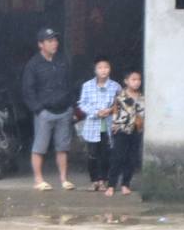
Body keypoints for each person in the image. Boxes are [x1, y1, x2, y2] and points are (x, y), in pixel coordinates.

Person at [21, 28, 78, 191]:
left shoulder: (61, 61)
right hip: (45, 112)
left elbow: (69, 83)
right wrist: (39, 110)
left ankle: (64, 179)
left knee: (63, 147)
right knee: (40, 147)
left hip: (64, 110)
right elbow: (28, 91)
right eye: (50, 41)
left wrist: (70, 105)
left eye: (55, 40)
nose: (54, 44)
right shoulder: (33, 64)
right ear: (41, 44)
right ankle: (38, 180)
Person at [76, 58, 121, 191]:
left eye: (106, 67)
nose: (103, 70)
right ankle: (94, 180)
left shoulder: (115, 86)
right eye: (100, 67)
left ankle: (103, 180)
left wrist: (111, 109)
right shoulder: (87, 86)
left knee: (106, 154)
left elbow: (121, 103)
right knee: (92, 154)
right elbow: (82, 103)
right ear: (95, 70)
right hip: (92, 125)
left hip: (108, 125)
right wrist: (96, 112)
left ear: (110, 69)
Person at [108, 70, 146, 196]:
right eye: (133, 80)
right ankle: (111, 185)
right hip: (121, 130)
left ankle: (125, 184)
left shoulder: (141, 97)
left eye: (138, 80)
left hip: (136, 130)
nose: (136, 82)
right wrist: (115, 126)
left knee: (131, 158)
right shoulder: (120, 97)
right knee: (118, 157)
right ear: (126, 81)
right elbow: (115, 113)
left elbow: (142, 114)